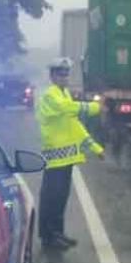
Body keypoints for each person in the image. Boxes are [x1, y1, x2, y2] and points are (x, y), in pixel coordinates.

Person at [35, 57, 104, 249]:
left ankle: (58, 233)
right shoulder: (50, 95)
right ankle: (48, 237)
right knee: (51, 198)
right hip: (54, 158)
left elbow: (74, 125)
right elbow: (67, 109)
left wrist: (95, 148)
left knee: (61, 198)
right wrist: (94, 106)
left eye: (66, 74)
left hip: (65, 159)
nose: (64, 77)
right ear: (52, 76)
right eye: (60, 74)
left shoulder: (64, 93)